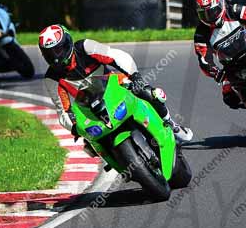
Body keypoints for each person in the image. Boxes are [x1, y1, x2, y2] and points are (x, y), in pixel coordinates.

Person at [39, 23, 193, 145]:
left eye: (58, 50)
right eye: (50, 53)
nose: (56, 57)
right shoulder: (51, 78)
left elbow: (117, 56)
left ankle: (170, 123)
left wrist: (135, 77)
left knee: (148, 92)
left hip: (114, 85)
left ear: (68, 43)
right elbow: (63, 111)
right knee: (89, 143)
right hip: (89, 108)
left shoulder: (85, 47)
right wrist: (74, 128)